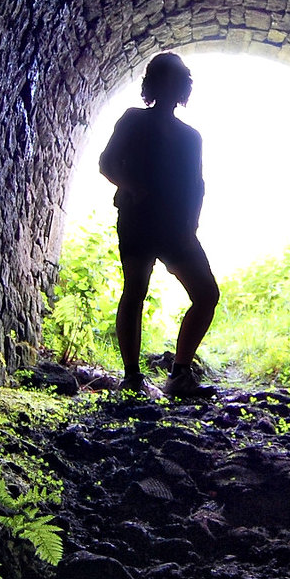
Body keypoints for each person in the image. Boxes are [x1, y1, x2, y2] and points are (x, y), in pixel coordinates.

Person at [98, 53, 220, 397]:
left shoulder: (191, 136)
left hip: (176, 227)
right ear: (153, 84)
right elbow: (106, 163)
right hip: (138, 220)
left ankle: (179, 374)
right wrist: (134, 189)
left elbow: (197, 183)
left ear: (182, 87)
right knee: (135, 291)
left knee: (206, 294)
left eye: (175, 79)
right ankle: (133, 377)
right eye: (165, 78)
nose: (171, 86)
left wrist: (191, 223)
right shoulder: (133, 120)